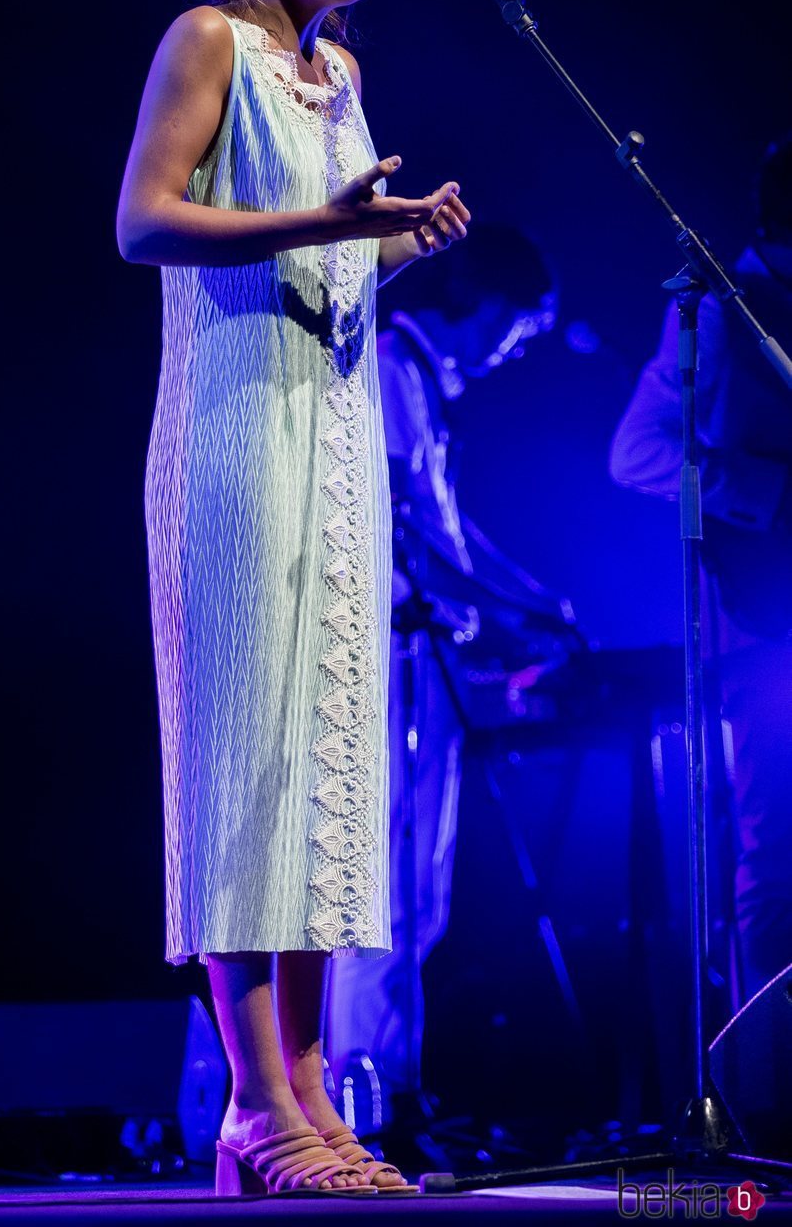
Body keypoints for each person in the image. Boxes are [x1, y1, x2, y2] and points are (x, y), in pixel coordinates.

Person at [115, 0, 471, 1196]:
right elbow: (144, 222)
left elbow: (324, 244)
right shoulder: (205, 39)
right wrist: (309, 220)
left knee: (323, 769)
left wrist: (390, 238)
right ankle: (253, 1107)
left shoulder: (344, 76)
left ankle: (314, 1099)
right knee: (241, 764)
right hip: (231, 442)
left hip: (335, 442)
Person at [327, 223, 575, 1158]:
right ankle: (366, 1103)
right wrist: (518, 607)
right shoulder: (390, 366)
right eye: (517, 329)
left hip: (422, 660)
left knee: (420, 895)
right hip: (385, 655)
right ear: (486, 304)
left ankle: (394, 1093)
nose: (514, 351)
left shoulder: (425, 385)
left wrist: (528, 600)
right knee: (379, 885)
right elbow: (410, 535)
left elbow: (450, 534)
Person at [609, 134, 792, 1004]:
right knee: (776, 846)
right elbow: (637, 453)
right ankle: (769, 1086)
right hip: (761, 616)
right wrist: (770, 492)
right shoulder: (724, 307)